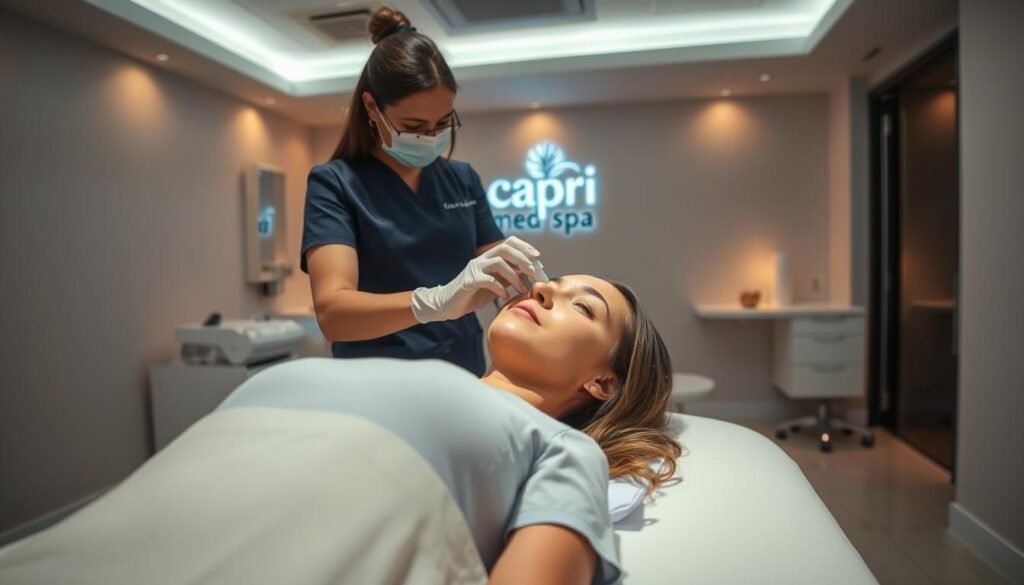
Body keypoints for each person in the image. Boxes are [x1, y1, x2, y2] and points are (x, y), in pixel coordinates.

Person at [0, 276, 681, 585]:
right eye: (549, 283)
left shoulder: (564, 449)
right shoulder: (416, 371)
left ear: (601, 382)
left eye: (578, 306)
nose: (541, 291)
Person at [302, 6, 538, 376]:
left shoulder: (462, 179)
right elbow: (334, 313)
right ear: (371, 107)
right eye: (414, 125)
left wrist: (535, 289)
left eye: (443, 123)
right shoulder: (335, 184)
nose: (431, 137)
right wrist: (436, 302)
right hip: (378, 380)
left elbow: (503, 278)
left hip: (463, 370)